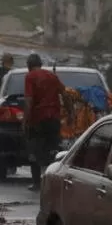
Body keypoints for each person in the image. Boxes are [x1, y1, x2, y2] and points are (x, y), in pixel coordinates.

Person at [23, 54, 69, 191]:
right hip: (53, 119)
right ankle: (53, 182)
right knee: (53, 151)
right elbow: (65, 94)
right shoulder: (52, 76)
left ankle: (37, 183)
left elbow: (28, 100)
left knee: (34, 151)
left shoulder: (30, 77)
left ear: (28, 66)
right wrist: (71, 112)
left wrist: (25, 120)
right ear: (40, 64)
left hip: (37, 120)